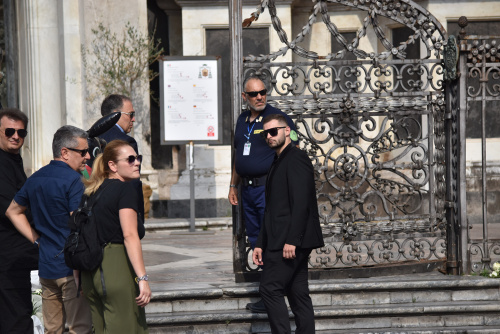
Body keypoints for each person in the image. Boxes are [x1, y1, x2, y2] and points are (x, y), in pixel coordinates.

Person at [6, 125, 93, 334]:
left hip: (46, 266)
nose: (88, 156)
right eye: (82, 152)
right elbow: (78, 222)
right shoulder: (74, 181)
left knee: (52, 330)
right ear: (65, 152)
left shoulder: (35, 178)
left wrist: (36, 239)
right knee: (79, 328)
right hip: (71, 268)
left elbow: (12, 211)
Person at [253, 114, 324, 334]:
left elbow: (301, 203)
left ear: (287, 131)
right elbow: (272, 209)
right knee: (297, 293)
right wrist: (259, 243)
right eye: (265, 133)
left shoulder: (296, 158)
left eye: (273, 131)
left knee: (269, 289)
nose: (269, 136)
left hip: (289, 241)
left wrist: (293, 240)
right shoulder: (278, 160)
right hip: (280, 238)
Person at [80, 139, 150, 333]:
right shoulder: (125, 189)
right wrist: (143, 278)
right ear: (112, 165)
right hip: (115, 268)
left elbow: (79, 233)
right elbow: (129, 235)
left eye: (138, 158)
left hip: (90, 273)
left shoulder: (90, 192)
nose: (136, 163)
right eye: (130, 159)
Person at [0, 109, 39, 334]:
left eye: (21, 132)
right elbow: (11, 208)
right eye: (10, 131)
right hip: (8, 257)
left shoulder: (13, 158)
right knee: (15, 320)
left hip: (16, 255)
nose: (16, 136)